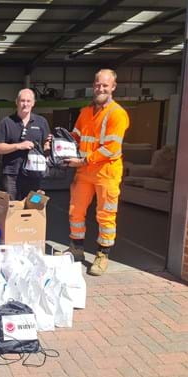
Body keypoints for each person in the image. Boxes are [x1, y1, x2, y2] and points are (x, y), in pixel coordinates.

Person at [63, 69, 130, 276]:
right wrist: (58, 142)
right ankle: (77, 250)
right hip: (84, 172)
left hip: (106, 173)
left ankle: (102, 255)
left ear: (113, 87)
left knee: (105, 216)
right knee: (76, 211)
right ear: (93, 86)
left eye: (105, 85)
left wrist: (82, 160)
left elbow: (111, 148)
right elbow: (75, 136)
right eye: (98, 84)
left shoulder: (117, 114)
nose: (100, 88)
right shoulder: (85, 112)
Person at [0, 88, 52, 201]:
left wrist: (50, 145)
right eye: (22, 101)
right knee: (11, 207)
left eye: (28, 101)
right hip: (11, 175)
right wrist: (18, 146)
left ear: (33, 103)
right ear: (16, 102)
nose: (25, 104)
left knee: (33, 205)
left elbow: (46, 147)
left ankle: (32, 219)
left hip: (34, 175)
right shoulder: (6, 122)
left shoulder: (41, 122)